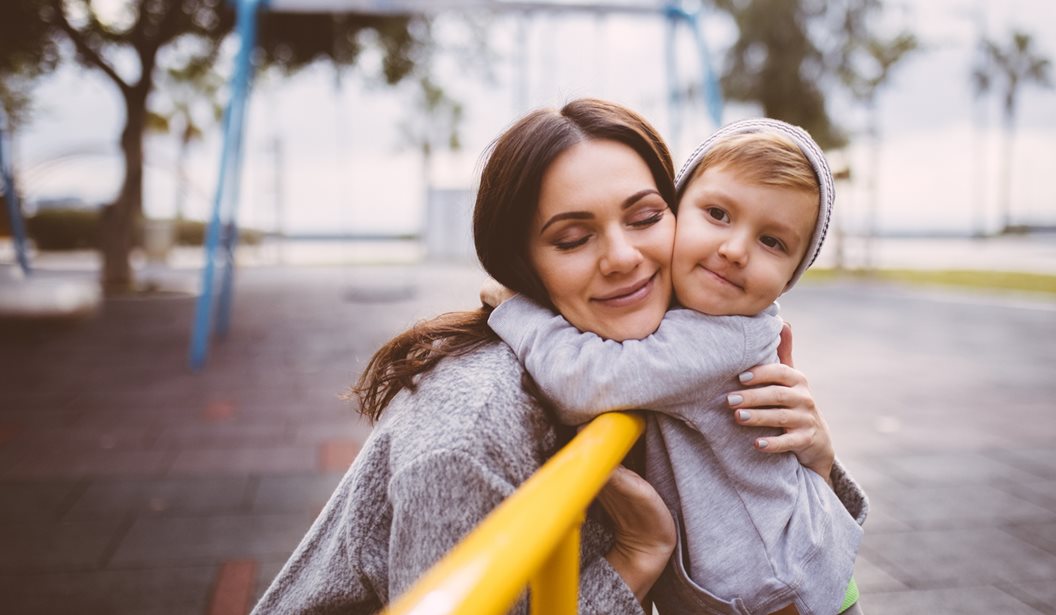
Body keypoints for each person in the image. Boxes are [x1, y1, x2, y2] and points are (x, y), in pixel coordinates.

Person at [251, 100, 864, 614]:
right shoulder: (469, 435)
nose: (624, 257)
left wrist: (815, 456)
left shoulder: (667, 341)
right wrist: (632, 561)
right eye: (572, 237)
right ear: (519, 262)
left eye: (646, 216)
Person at [483, 119, 865, 615]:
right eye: (718, 213)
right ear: (677, 209)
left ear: (792, 277)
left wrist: (518, 309)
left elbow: (586, 381)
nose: (734, 250)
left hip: (780, 597)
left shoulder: (721, 337)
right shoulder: (696, 318)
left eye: (772, 242)